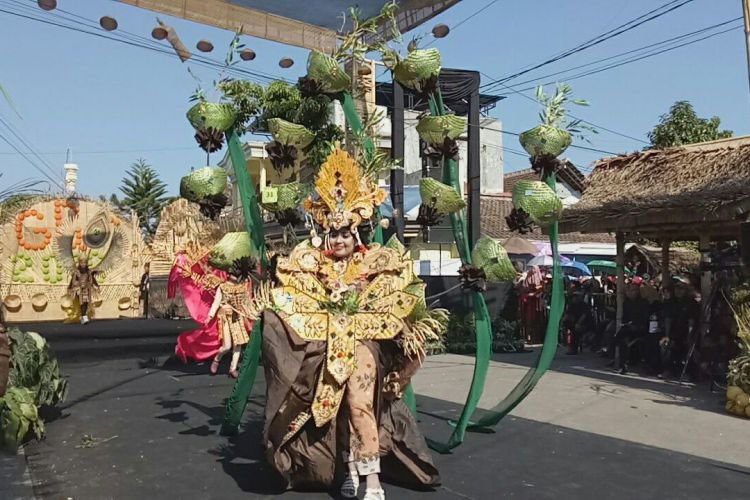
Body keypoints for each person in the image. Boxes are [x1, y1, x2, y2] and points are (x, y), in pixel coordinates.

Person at [244, 148, 442, 499]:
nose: (338, 240)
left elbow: (395, 304)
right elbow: (289, 301)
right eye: (332, 233)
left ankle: (374, 479)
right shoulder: (306, 264)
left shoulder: (379, 264)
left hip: (362, 345)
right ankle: (349, 469)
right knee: (332, 411)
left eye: (345, 233)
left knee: (358, 403)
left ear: (356, 234)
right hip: (323, 346)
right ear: (324, 234)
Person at [68, 254, 99, 325]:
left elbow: (93, 279)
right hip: (79, 289)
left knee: (86, 303)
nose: (83, 264)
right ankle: (83, 317)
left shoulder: (89, 272)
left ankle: (83, 317)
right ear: (79, 263)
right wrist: (70, 288)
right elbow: (72, 281)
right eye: (82, 263)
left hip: (87, 289)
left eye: (84, 263)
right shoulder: (76, 272)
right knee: (81, 303)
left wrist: (96, 286)